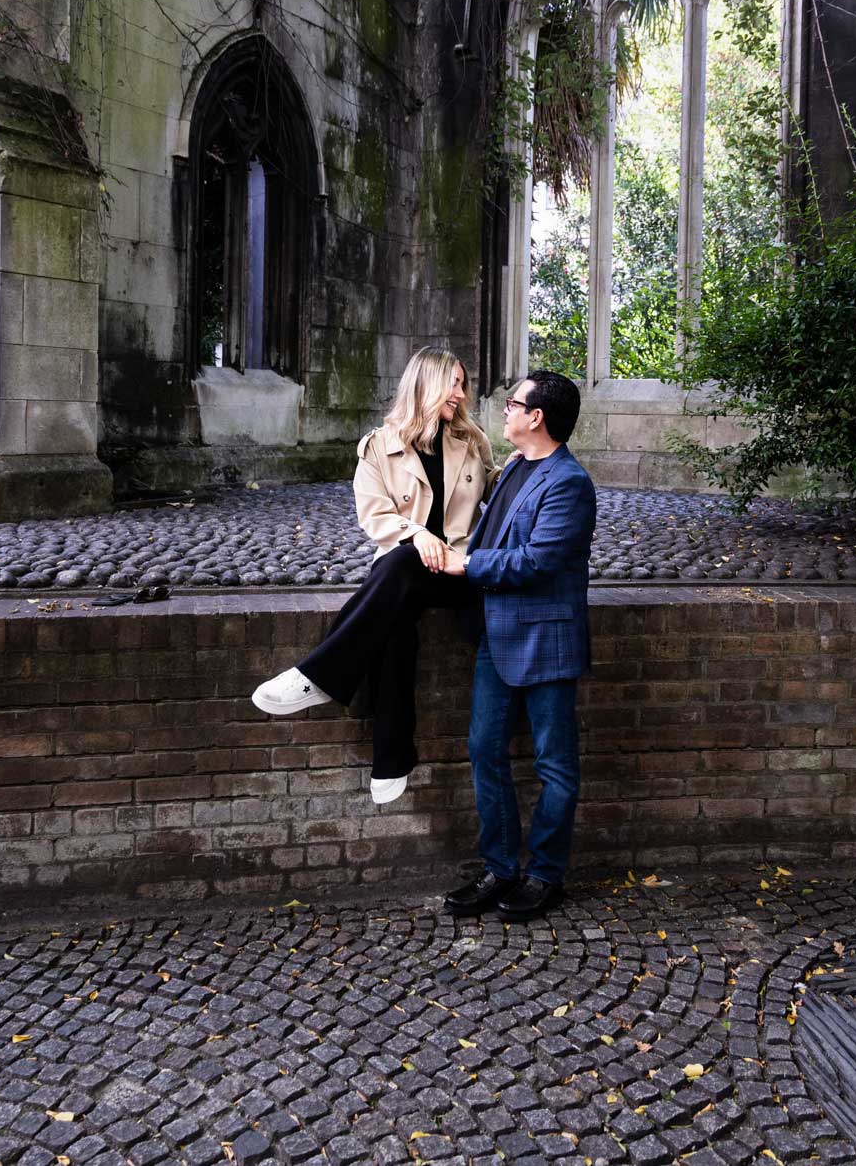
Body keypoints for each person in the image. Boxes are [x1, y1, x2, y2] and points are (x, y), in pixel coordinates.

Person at [250, 347, 495, 805]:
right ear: (427, 385)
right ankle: (391, 761)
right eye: (454, 384)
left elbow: (500, 498)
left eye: (463, 384)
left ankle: (318, 676)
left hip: (459, 571)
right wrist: (416, 534)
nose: (462, 395)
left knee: (396, 571)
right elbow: (374, 515)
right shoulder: (378, 447)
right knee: (395, 616)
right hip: (406, 569)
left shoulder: (472, 441)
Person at [440, 370, 597, 922]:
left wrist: (469, 565)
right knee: (485, 752)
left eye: (513, 403)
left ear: (537, 417)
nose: (503, 410)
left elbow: (539, 560)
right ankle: (499, 867)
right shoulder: (511, 468)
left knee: (555, 766)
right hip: (496, 637)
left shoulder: (569, 482)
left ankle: (545, 875)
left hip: (547, 640)